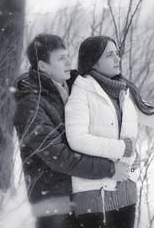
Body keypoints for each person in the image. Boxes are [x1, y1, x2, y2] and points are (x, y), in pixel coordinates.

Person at [64, 35, 154, 227]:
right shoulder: (81, 91)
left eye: (117, 53)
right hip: (93, 193)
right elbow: (77, 139)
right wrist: (124, 149)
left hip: (125, 190)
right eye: (110, 55)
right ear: (93, 61)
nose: (118, 59)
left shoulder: (124, 93)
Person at [13, 33, 129, 228]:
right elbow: (58, 156)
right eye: (60, 58)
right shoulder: (30, 105)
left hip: (83, 191)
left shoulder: (76, 85)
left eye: (67, 55)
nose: (68, 61)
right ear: (42, 66)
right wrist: (109, 169)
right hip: (52, 199)